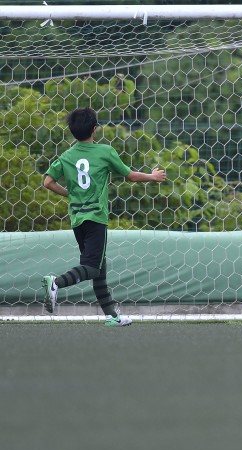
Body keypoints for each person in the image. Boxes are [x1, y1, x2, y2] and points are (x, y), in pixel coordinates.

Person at [42, 107, 167, 326]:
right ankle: (56, 283)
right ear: (94, 129)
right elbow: (131, 176)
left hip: (77, 219)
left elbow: (47, 182)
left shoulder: (67, 156)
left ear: (72, 131)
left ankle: (111, 316)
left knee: (99, 267)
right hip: (96, 217)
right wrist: (153, 176)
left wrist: (70, 194)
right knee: (91, 267)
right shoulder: (105, 152)